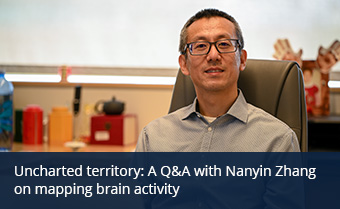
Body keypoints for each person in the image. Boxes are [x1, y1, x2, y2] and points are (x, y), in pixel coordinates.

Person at [135, 9, 300, 152]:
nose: (213, 55)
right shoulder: (153, 138)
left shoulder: (277, 140)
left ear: (242, 59)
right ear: (184, 64)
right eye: (200, 46)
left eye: (223, 44)